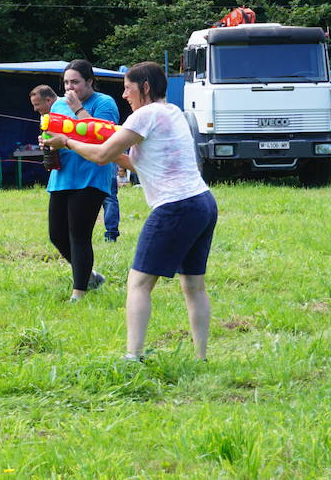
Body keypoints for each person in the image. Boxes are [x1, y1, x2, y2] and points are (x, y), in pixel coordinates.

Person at [42, 61, 217, 361]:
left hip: (174, 207)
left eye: (127, 88)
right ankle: (201, 357)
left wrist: (67, 141)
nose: (124, 95)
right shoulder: (173, 113)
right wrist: (79, 132)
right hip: (203, 203)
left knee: (138, 283)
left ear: (145, 88)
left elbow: (101, 154)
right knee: (194, 285)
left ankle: (132, 358)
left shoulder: (144, 115)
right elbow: (135, 163)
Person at [45, 60, 119, 301]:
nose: (70, 87)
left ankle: (79, 292)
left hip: (91, 176)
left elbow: (104, 138)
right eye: (66, 82)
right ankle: (90, 275)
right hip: (62, 174)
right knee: (56, 234)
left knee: (79, 234)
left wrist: (78, 109)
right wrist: (47, 143)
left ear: (90, 81)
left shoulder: (104, 102)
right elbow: (55, 134)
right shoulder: (57, 104)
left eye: (75, 82)